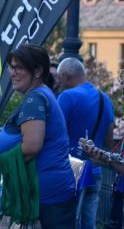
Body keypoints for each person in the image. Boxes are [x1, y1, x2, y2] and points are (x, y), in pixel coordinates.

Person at [0, 44, 76, 228]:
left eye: (19, 67)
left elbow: (32, 147)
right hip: (47, 196)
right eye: (12, 67)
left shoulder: (35, 99)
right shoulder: (41, 94)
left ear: (37, 71)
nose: (13, 73)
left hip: (45, 200)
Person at [57, 57, 114, 229]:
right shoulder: (104, 99)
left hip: (70, 171)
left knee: (69, 222)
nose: (58, 83)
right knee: (89, 222)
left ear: (66, 76)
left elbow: (54, 133)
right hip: (95, 170)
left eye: (59, 78)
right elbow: (109, 139)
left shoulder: (66, 97)